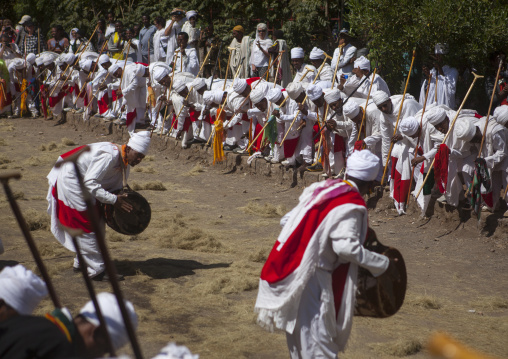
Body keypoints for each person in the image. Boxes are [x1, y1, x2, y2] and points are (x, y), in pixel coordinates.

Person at [255, 149, 390, 359]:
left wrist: (312, 241)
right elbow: (346, 248)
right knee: (319, 346)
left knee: (300, 343)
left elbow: (286, 221)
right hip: (313, 279)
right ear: (371, 186)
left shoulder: (325, 188)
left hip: (294, 271)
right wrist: (381, 264)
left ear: (347, 173)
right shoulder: (351, 203)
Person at [46, 131, 151, 281]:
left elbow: (115, 187)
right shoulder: (108, 156)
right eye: (138, 155)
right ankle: (96, 270)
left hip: (83, 183)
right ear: (128, 149)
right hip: (72, 180)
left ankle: (81, 262)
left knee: (98, 221)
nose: (139, 159)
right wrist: (114, 200)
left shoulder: (125, 162)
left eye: (143, 157)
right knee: (88, 223)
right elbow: (90, 183)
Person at [0, 292, 138, 358]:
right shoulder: (58, 350)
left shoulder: (35, 324)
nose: (100, 355)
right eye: (105, 349)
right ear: (97, 333)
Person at [419, 43, 459, 109]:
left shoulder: (452, 71)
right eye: (436, 55)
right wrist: (428, 77)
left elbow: (450, 90)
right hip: (432, 107)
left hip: (443, 107)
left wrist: (440, 69)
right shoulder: (432, 71)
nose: (437, 57)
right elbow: (427, 89)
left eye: (440, 55)